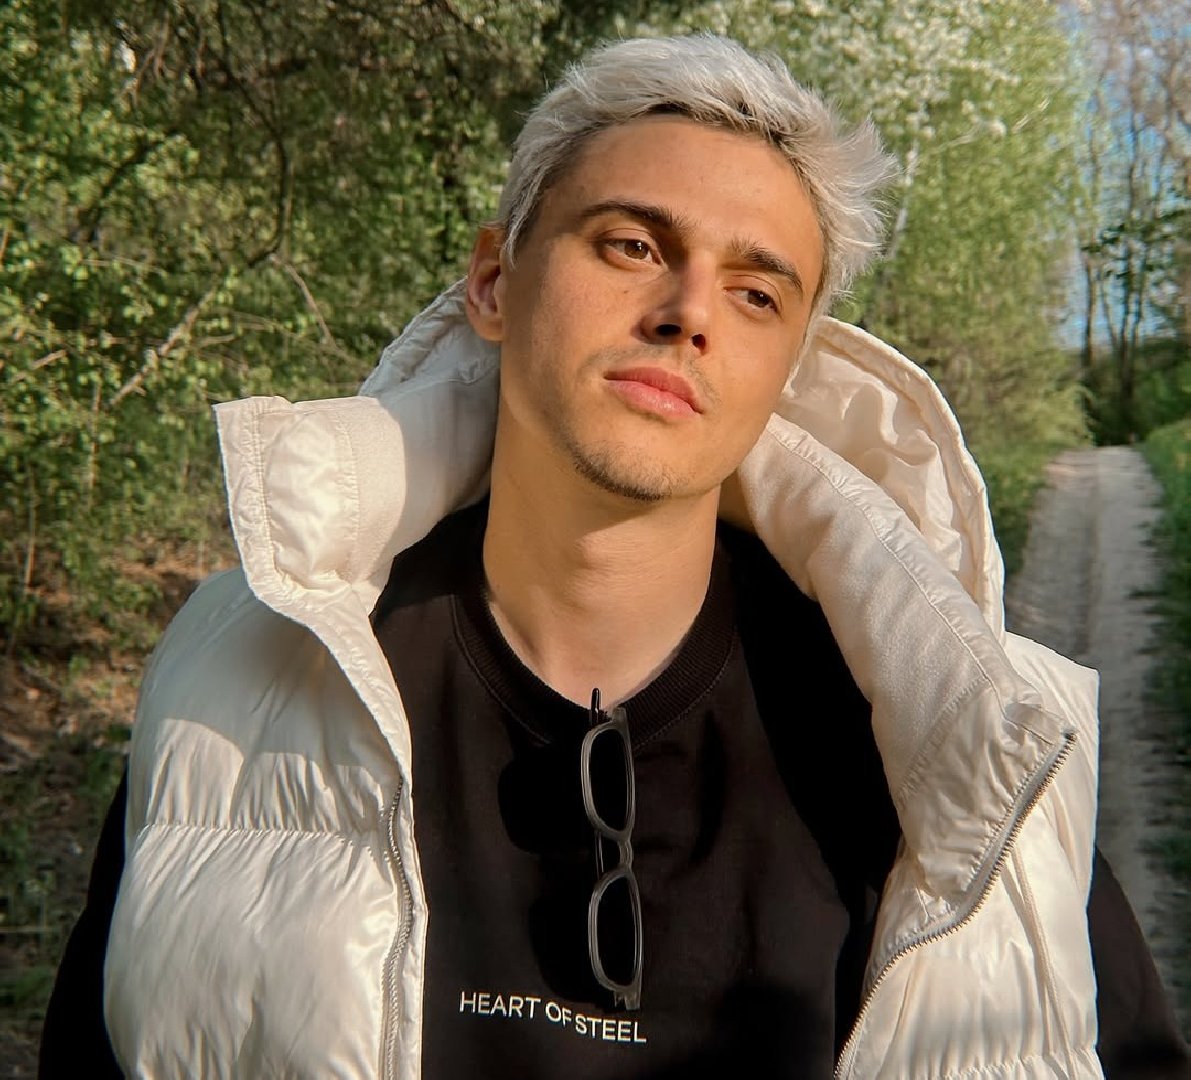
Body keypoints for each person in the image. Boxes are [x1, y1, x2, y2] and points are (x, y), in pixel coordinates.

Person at [42, 34, 1189, 1079]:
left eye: (756, 292)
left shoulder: (972, 748)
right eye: (633, 244)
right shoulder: (240, 678)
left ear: (788, 371)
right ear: (494, 284)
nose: (689, 312)